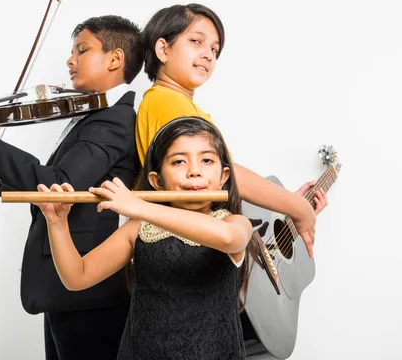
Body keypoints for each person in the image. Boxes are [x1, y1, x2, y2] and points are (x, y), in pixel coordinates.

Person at [0, 15, 143, 360]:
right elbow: (62, 178)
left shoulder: (115, 119)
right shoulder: (99, 115)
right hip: (68, 286)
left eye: (82, 49)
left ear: (115, 59)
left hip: (87, 289)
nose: (70, 60)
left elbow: (61, 184)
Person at [36, 116, 254, 359]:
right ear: (157, 181)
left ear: (224, 177)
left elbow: (228, 239)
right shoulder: (140, 229)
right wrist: (57, 223)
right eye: (179, 161)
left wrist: (138, 206)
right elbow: (77, 277)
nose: (194, 171)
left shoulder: (233, 223)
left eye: (207, 160)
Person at [135, 3, 328, 259]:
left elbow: (219, 183)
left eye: (214, 49)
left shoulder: (175, 103)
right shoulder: (167, 100)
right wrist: (297, 207)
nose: (208, 55)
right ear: (163, 49)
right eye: (196, 41)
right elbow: (233, 174)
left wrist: (285, 201)